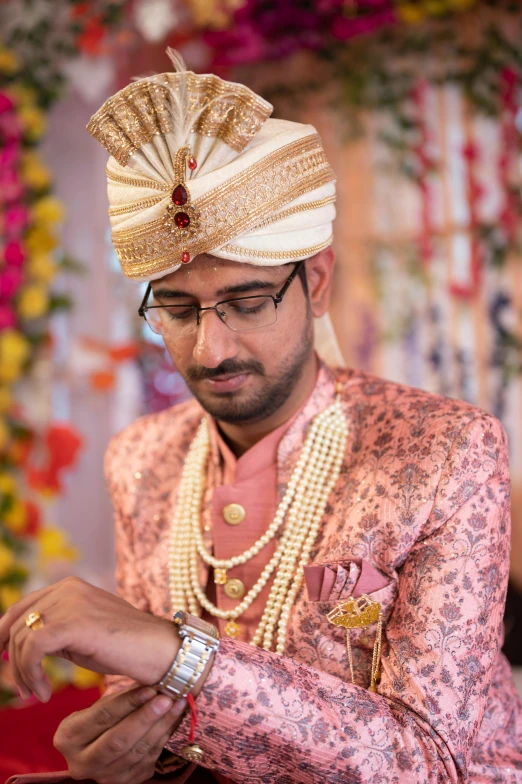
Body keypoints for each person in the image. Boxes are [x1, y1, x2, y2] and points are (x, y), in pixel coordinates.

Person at [2, 51, 522, 784]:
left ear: (316, 281)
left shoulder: (444, 450)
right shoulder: (141, 458)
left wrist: (170, 650)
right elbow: (169, 728)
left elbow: (428, 761)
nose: (210, 348)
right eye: (177, 310)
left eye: (246, 303)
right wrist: (115, 760)